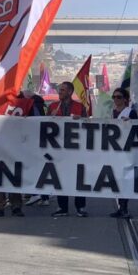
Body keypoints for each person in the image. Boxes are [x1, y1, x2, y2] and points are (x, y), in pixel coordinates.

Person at [49, 81, 88, 217]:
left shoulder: (79, 107)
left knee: (79, 177)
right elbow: (43, 125)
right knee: (61, 177)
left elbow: (88, 125)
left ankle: (80, 206)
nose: (60, 92)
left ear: (70, 92)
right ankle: (63, 207)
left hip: (76, 149)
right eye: (59, 90)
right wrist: (50, 117)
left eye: (63, 90)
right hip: (59, 150)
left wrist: (82, 119)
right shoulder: (53, 106)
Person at [109, 87, 138, 218]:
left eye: (119, 97)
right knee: (118, 179)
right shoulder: (112, 112)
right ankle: (121, 206)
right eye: (114, 97)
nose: (116, 99)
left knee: (125, 178)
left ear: (125, 99)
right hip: (115, 149)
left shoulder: (130, 112)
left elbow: (137, 128)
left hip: (127, 149)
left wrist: (130, 123)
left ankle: (125, 207)